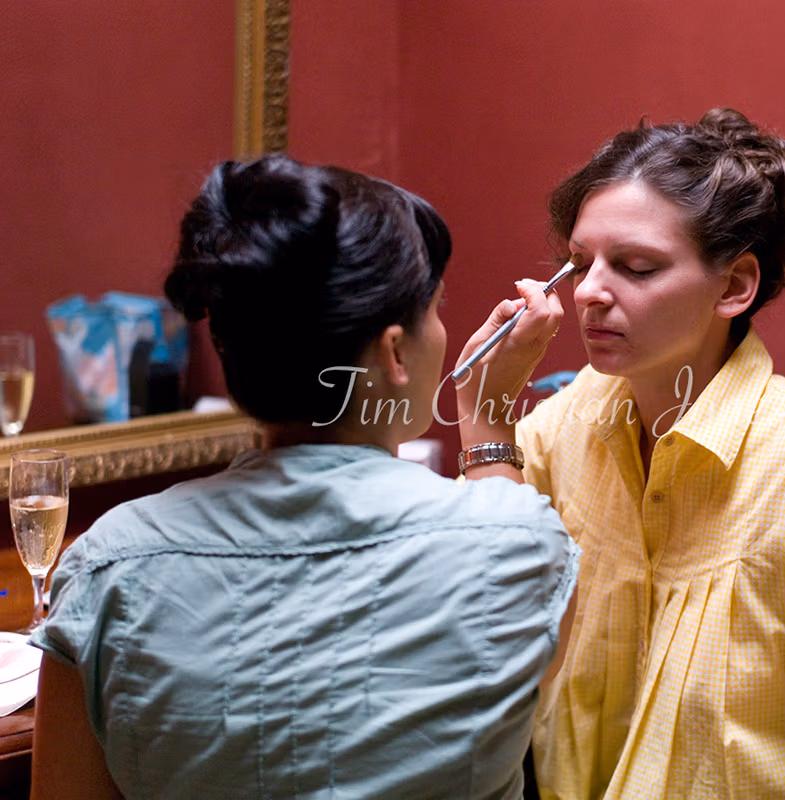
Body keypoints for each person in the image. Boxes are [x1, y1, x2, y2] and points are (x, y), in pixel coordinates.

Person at [29, 156, 578, 800]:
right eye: (435, 309)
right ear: (395, 351)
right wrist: (486, 416)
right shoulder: (517, 545)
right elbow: (528, 670)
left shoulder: (106, 571)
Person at [511, 109, 785, 799]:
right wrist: (484, 416)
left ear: (733, 287)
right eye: (578, 264)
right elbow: (481, 645)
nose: (589, 292)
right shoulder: (564, 426)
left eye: (635, 267)